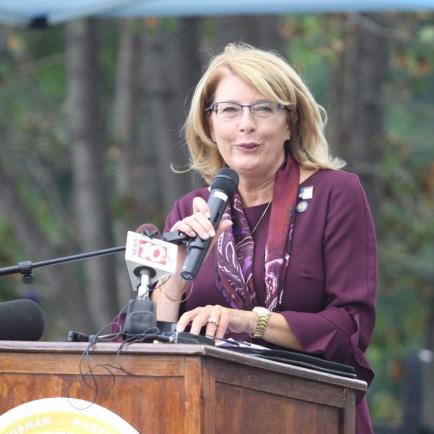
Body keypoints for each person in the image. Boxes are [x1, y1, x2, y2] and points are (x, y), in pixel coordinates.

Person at [151, 43, 377, 434]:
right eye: (229, 110)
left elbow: (349, 329)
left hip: (310, 416)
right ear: (209, 124)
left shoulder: (336, 194)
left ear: (290, 122)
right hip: (209, 417)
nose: (246, 124)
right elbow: (152, 338)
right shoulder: (191, 210)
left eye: (263, 109)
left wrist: (246, 321)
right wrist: (175, 279)